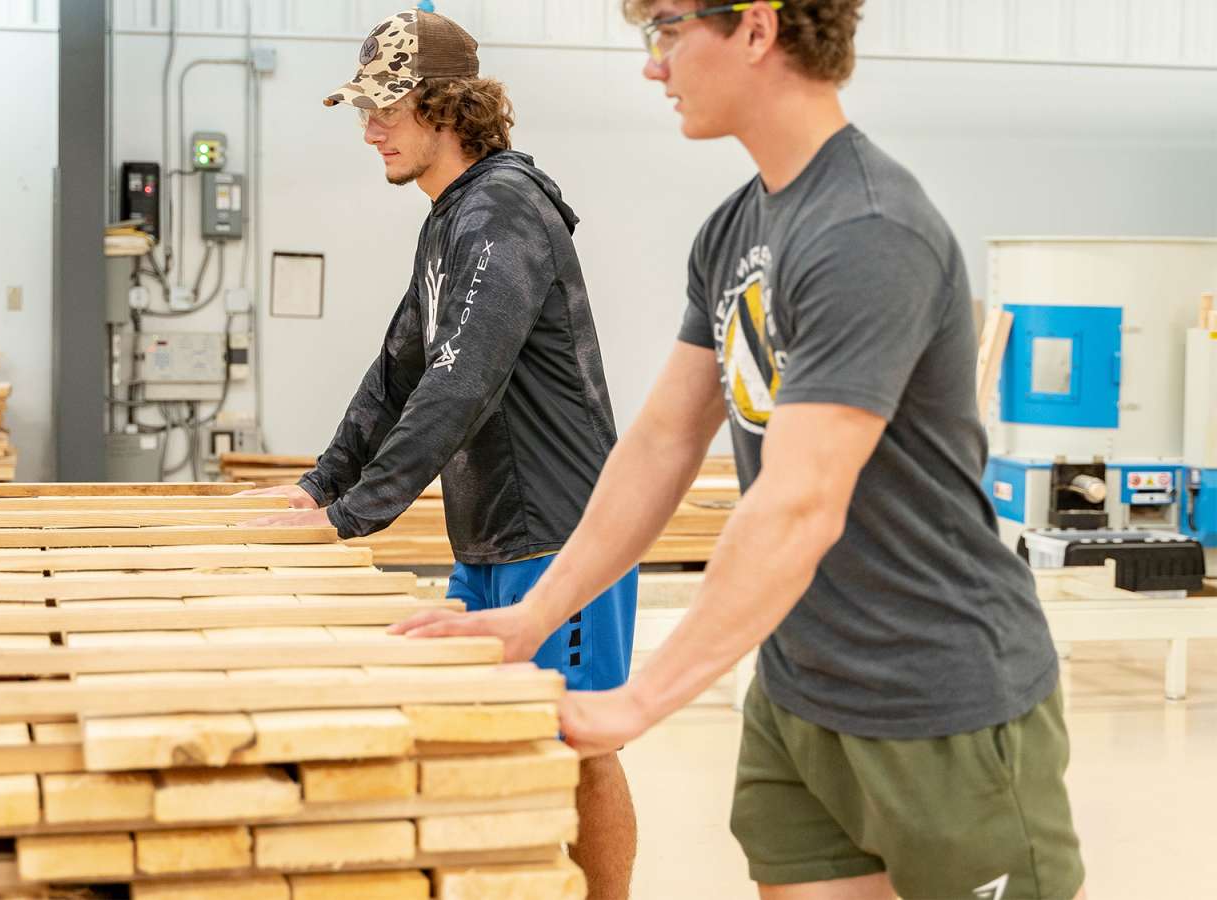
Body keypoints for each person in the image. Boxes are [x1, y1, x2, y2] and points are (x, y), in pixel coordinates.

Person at [394, 2, 1088, 897]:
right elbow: (661, 444)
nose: (655, 65)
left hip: (938, 701)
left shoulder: (866, 231)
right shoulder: (735, 230)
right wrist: (537, 614)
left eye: (669, 31)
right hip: (802, 690)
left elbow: (798, 504)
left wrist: (641, 698)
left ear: (757, 28)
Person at [240, 9, 639, 896]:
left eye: (390, 105)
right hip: (495, 535)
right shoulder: (449, 219)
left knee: (581, 745)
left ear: (451, 108)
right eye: (362, 109)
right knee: (490, 734)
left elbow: (460, 387)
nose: (370, 126)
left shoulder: (505, 212)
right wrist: (316, 490)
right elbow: (396, 373)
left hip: (564, 539)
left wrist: (350, 519)